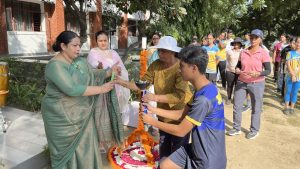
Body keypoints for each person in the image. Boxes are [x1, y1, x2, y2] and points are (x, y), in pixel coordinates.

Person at [41, 31, 121, 169]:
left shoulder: (79, 61)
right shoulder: (55, 66)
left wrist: (109, 71)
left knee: (87, 146)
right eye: (75, 45)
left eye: (80, 45)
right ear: (63, 46)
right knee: (67, 154)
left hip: (82, 113)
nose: (78, 48)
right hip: (60, 116)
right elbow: (72, 89)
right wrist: (102, 89)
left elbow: (93, 74)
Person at [142, 46, 227, 169]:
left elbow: (181, 130)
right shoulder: (206, 89)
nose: (179, 70)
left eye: (182, 66)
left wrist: (152, 121)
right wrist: (153, 110)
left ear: (194, 68)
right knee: (165, 165)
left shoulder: (203, 100)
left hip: (207, 159)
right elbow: (181, 114)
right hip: (196, 148)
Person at [116, 36, 193, 159]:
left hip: (180, 116)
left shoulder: (180, 68)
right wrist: (121, 82)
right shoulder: (156, 65)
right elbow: (142, 84)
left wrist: (154, 97)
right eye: (159, 50)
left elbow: (179, 96)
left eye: (164, 51)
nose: (160, 54)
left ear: (173, 52)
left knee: (178, 155)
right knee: (164, 151)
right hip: (163, 115)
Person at [227, 29, 271, 139]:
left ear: (260, 39)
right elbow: (239, 65)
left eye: (256, 38)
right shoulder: (244, 52)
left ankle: (254, 130)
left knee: (256, 108)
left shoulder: (263, 53)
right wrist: (237, 69)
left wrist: (259, 73)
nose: (253, 39)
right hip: (241, 82)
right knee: (237, 106)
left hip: (257, 83)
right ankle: (236, 128)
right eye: (251, 37)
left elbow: (268, 70)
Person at [87, 31, 131, 128]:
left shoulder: (113, 52)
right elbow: (93, 70)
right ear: (96, 41)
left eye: (105, 40)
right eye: (100, 41)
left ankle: (115, 134)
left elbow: (122, 68)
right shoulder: (93, 53)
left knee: (115, 112)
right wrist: (101, 68)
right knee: (103, 115)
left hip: (116, 86)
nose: (103, 43)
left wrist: (119, 70)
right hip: (101, 87)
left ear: (108, 41)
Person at [283, 36, 300, 115]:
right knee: (288, 91)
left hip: (298, 77)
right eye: (298, 42)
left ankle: (292, 108)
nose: (299, 44)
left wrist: (296, 75)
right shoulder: (290, 53)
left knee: (295, 92)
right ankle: (286, 107)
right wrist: (292, 74)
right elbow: (288, 64)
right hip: (290, 76)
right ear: (295, 43)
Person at [225, 37, 243, 105]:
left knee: (237, 86)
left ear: (240, 44)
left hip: (239, 72)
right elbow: (227, 61)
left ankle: (235, 98)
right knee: (229, 85)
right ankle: (229, 98)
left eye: (237, 44)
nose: (236, 45)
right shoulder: (229, 52)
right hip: (230, 71)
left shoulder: (243, 52)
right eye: (235, 43)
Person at [280, 36, 297, 102]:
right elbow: (283, 60)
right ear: (290, 43)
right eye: (293, 42)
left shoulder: (298, 51)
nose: (295, 44)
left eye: (296, 42)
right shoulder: (286, 49)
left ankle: (291, 100)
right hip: (287, 70)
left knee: (294, 85)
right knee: (286, 84)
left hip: (296, 71)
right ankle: (284, 98)